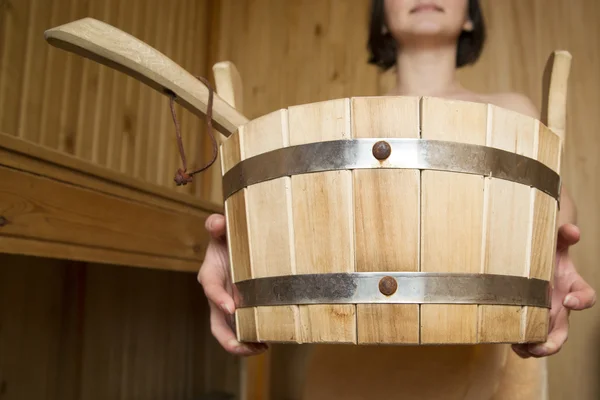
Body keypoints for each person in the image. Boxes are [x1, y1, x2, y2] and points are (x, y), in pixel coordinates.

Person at [198, 0, 596, 398]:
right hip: (355, 368)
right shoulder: (345, 125)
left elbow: (554, 204)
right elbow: (290, 216)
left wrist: (557, 249)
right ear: (382, 20)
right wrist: (236, 251)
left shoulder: (512, 113)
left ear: (471, 15)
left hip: (487, 371)